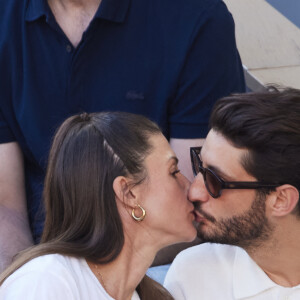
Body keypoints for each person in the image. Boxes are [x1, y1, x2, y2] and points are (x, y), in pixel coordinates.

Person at [0, 0, 245, 271]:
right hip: (37, 260)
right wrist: (24, 282)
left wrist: (87, 282)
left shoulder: (196, 17)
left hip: (161, 260)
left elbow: (194, 206)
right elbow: (5, 208)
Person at [0, 111, 196, 299]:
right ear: (128, 193)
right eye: (173, 171)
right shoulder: (46, 281)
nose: (191, 187)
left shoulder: (152, 296)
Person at [164, 87, 300, 299]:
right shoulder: (194, 276)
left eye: (215, 181)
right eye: (200, 167)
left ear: (281, 200)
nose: (194, 191)